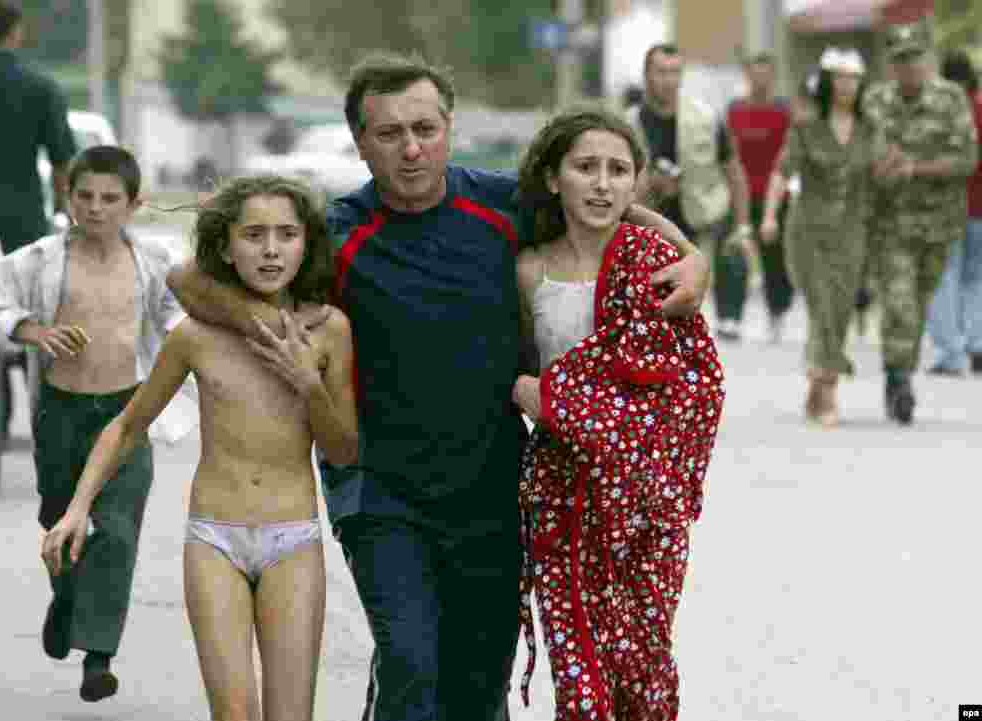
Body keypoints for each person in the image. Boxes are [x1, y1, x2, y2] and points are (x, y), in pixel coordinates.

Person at [165, 52, 712, 721]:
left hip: (492, 488)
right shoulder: (338, 232)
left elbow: (613, 211)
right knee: (411, 665)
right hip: (383, 492)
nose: (411, 147)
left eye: (425, 127)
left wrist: (696, 260)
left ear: (448, 128)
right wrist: (265, 323)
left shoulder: (501, 205)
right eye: (389, 133)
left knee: (479, 686)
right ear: (361, 144)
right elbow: (188, 278)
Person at [41, 173, 358, 721]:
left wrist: (309, 383)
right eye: (253, 235)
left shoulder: (330, 332)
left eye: (286, 234)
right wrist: (76, 508)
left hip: (294, 537)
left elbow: (345, 450)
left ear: (306, 245)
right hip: (214, 536)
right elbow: (127, 425)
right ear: (227, 248)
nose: (270, 249)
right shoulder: (194, 335)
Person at [512, 106, 725, 720]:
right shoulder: (528, 271)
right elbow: (514, 369)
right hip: (564, 497)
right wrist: (537, 396)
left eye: (618, 170)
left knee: (644, 668)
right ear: (554, 178)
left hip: (648, 505)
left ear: (636, 183)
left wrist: (558, 399)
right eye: (585, 168)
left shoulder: (660, 268)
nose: (602, 183)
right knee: (582, 685)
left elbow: (693, 386)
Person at [0, 146, 195, 702]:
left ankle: (98, 656)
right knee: (59, 521)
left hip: (126, 412)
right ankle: (67, 600)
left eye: (110, 199)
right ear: (67, 198)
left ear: (134, 203)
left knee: (116, 532)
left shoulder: (152, 260)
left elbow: (177, 315)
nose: (96, 209)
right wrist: (36, 332)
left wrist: (182, 344)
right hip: (61, 411)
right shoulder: (41, 260)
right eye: (85, 197)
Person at [0, 0, 78, 438]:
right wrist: (65, 213)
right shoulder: (39, 86)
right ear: (15, 32)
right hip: (22, 223)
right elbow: (64, 161)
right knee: (30, 320)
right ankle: (46, 415)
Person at [863, 21, 978, 423]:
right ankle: (899, 379)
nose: (908, 68)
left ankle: (902, 366)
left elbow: (967, 159)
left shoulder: (951, 100)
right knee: (899, 304)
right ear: (891, 64)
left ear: (927, 59)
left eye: (915, 59)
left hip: (939, 225)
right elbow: (858, 153)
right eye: (900, 61)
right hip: (891, 225)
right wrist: (875, 167)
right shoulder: (874, 101)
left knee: (921, 300)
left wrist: (916, 168)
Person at [761, 48, 879, 426]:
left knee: (839, 309)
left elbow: (879, 179)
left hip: (852, 232)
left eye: (855, 78)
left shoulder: (870, 129)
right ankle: (828, 391)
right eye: (841, 77)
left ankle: (817, 379)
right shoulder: (807, 126)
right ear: (829, 82)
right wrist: (768, 217)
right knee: (823, 305)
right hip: (808, 230)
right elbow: (782, 172)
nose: (848, 85)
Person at [629, 43, 754, 342]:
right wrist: (653, 186)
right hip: (654, 215)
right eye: (661, 72)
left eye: (675, 72)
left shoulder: (706, 117)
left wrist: (743, 224)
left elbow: (733, 169)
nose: (669, 80)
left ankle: (729, 318)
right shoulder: (629, 122)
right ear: (647, 75)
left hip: (706, 209)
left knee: (731, 252)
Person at [726, 51, 794, 343]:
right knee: (734, 251)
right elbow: (727, 150)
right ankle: (731, 316)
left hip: (775, 195)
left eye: (766, 73)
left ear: (773, 76)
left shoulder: (783, 111)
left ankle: (777, 312)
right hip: (740, 192)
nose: (760, 78)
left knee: (774, 257)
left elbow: (789, 151)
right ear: (747, 75)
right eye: (755, 72)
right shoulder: (735, 110)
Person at [926, 49, 982, 376]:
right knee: (976, 279)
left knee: (945, 277)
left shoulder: (940, 114)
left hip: (947, 208)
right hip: (980, 208)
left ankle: (951, 353)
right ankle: (977, 344)